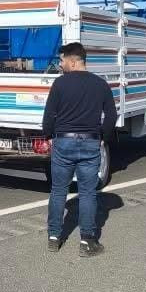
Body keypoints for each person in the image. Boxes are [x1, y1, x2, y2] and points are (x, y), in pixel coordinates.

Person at [42, 42, 117, 257]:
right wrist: (102, 136)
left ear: (73, 61)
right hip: (90, 142)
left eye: (62, 60)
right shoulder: (100, 84)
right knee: (87, 193)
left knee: (58, 191)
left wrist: (49, 136)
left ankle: (54, 237)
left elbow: (49, 116)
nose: (60, 64)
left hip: (63, 142)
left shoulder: (59, 84)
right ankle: (87, 241)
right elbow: (111, 115)